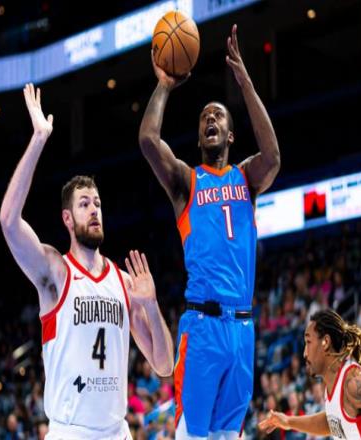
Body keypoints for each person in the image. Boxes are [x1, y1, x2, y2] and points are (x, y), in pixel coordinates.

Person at [0, 83, 174, 439]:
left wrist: (151, 306)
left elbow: (164, 365)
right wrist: (39, 139)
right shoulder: (55, 272)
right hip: (70, 433)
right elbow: (8, 221)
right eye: (84, 204)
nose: (94, 210)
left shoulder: (124, 281)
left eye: (97, 203)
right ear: (67, 219)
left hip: (117, 432)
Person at [139, 24, 280, 439]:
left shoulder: (246, 178)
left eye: (218, 115)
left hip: (243, 330)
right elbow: (148, 140)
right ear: (200, 137)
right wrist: (165, 85)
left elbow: (273, 156)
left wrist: (245, 82)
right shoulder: (187, 182)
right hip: (202, 327)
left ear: (231, 134)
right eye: (204, 118)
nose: (210, 120)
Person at [259, 310, 361, 439]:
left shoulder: (354, 381)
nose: (304, 353)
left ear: (325, 342)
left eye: (308, 342)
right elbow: (332, 422)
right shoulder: (331, 382)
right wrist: (288, 421)